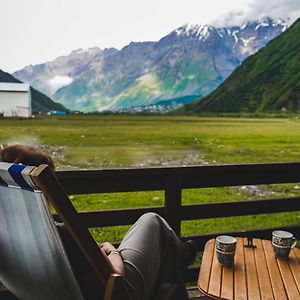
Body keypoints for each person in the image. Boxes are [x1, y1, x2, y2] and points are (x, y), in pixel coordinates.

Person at [0, 144, 197, 300]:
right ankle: (181, 255)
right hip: (117, 294)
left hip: (52, 292)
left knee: (156, 246)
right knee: (152, 221)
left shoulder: (7, 235)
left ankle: (177, 259)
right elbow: (116, 277)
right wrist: (111, 250)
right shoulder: (59, 239)